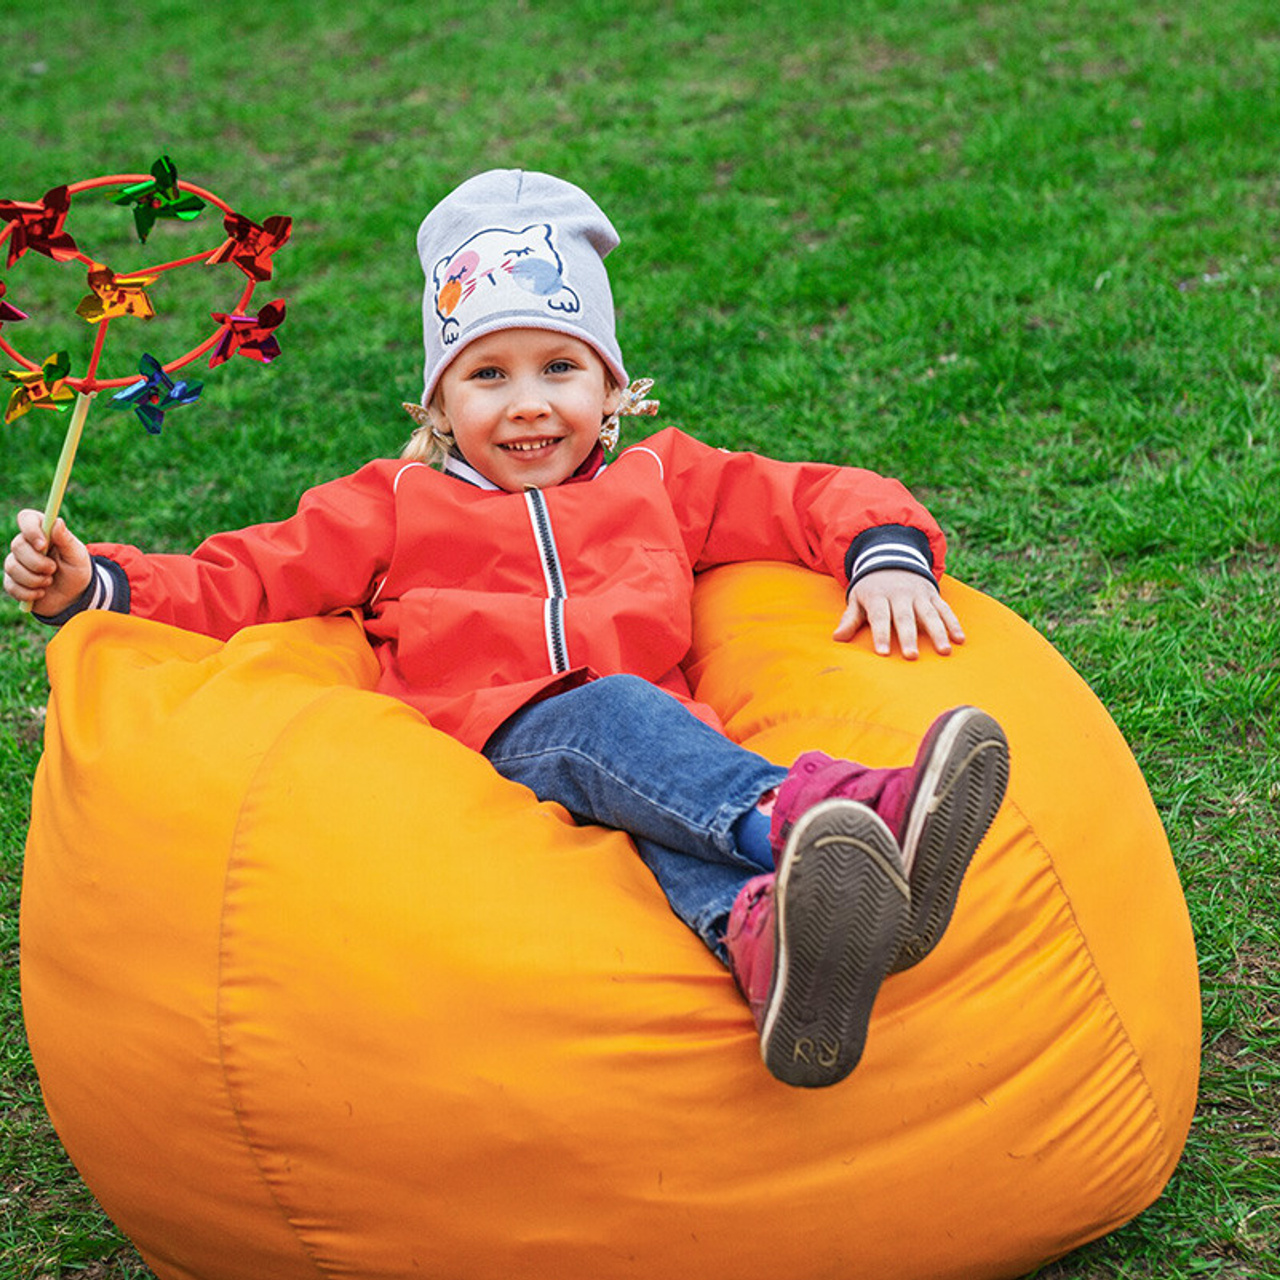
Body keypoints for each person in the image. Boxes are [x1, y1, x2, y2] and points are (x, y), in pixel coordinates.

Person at [4, 169, 1009, 1089]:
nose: (528, 404)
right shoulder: (396, 503)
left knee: (661, 821)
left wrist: (882, 546)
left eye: (559, 369)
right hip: (497, 744)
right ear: (438, 399)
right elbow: (251, 574)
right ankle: (839, 813)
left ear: (611, 387)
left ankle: (775, 944)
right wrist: (98, 581)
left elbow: (805, 492)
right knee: (609, 710)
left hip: (654, 757)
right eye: (487, 376)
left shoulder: (661, 481)